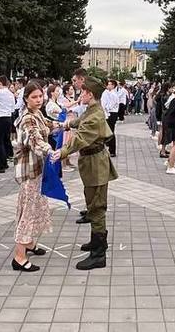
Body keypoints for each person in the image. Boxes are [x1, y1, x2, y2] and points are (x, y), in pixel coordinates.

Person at [52, 77, 118, 270]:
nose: (80, 95)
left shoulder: (95, 115)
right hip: (92, 162)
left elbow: (80, 139)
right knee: (91, 202)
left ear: (90, 93)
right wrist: (64, 125)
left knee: (97, 207)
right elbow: (79, 122)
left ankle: (98, 255)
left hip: (96, 164)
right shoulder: (93, 110)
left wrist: (62, 152)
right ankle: (97, 242)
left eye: (83, 92)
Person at [11, 80, 56, 272]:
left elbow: (50, 125)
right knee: (28, 210)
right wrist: (50, 151)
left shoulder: (37, 114)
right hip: (29, 170)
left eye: (40, 96)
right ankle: (19, 256)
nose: (39, 100)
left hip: (38, 169)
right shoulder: (27, 118)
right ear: (26, 99)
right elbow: (35, 140)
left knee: (35, 205)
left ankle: (28, 244)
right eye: (34, 97)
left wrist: (71, 124)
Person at [0, 76, 15, 174]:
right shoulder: (10, 94)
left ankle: (1, 164)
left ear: (1, 83)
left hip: (0, 118)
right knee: (4, 140)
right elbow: (13, 108)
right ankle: (4, 161)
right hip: (8, 118)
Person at [101, 79, 120, 157]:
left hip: (111, 113)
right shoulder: (107, 93)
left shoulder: (113, 94)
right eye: (108, 84)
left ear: (113, 86)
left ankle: (112, 150)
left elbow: (111, 105)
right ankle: (109, 147)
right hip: (108, 113)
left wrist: (106, 109)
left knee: (111, 132)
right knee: (108, 131)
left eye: (110, 84)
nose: (108, 86)